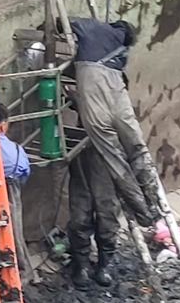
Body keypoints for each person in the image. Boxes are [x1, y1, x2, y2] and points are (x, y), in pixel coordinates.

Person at [65, 16, 160, 228]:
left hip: (95, 109)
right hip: (119, 100)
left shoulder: (91, 26)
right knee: (138, 151)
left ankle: (143, 214)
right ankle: (155, 202)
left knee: (117, 163)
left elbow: (58, 22)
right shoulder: (120, 54)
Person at [68, 143, 121, 290]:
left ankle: (104, 264)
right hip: (80, 149)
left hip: (109, 153)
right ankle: (81, 265)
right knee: (80, 216)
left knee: (108, 218)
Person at [0, 103, 35, 283]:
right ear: (3, 125)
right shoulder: (14, 150)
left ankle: (9, 273)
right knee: (13, 231)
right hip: (11, 187)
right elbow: (25, 170)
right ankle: (23, 274)